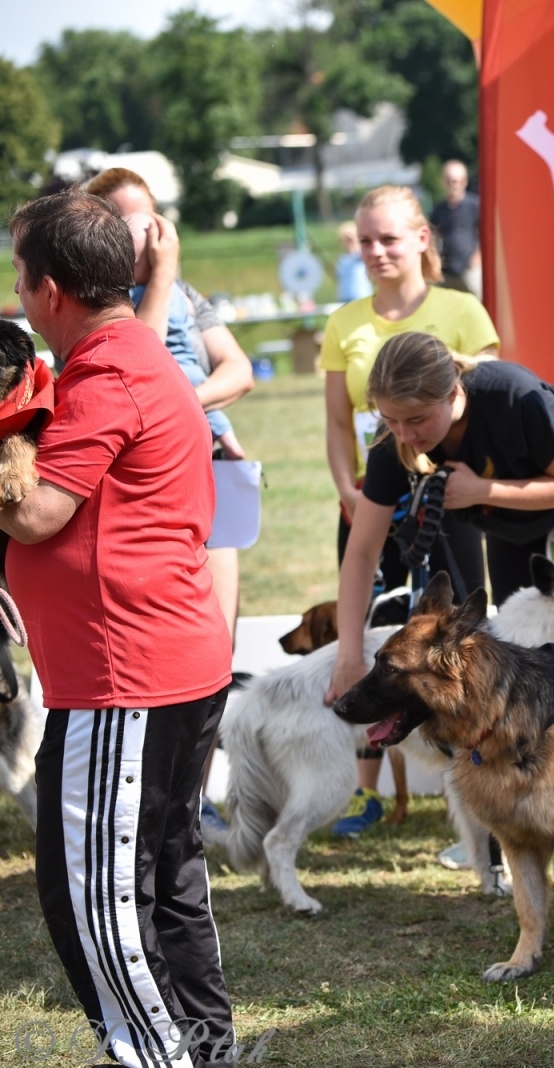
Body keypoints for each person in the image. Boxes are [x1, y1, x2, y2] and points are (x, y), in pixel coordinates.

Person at [5, 191, 235, 1067]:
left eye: (21, 283)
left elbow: (35, 517)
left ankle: (165, 1058)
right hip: (149, 664)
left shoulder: (108, 372)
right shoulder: (127, 350)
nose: (17, 302)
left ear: (52, 290)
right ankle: (203, 1052)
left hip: (126, 675)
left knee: (96, 897)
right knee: (166, 879)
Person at [321, 184, 498, 835]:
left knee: (450, 642)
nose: (375, 250)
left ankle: (474, 792)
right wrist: (350, 491)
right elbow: (340, 427)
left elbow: (486, 413)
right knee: (374, 634)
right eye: (365, 239)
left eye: (388, 237)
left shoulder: (463, 309)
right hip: (377, 496)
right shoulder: (345, 322)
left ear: (422, 238)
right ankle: (366, 790)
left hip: (451, 499)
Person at [326, 332, 554, 703]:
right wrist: (349, 657)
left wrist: (482, 491)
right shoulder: (397, 436)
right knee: (519, 642)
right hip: (509, 509)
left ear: (452, 393)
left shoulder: (510, 396)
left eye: (417, 420)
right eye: (391, 420)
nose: (404, 434)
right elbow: (362, 552)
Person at [81, 167, 255, 643]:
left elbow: (239, 371)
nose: (145, 233)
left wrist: (189, 408)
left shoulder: (184, 294)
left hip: (206, 458)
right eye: (126, 222)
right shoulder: (89, 304)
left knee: (222, 634)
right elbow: (143, 363)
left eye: (149, 217)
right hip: (147, 483)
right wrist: (161, 277)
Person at [125, 211, 245, 458]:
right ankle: (230, 442)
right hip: (194, 372)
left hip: (175, 376)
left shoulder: (134, 296)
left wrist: (182, 403)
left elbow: (144, 349)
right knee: (211, 414)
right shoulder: (179, 294)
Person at [430, 160, 481, 296]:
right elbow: (433, 237)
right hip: (447, 271)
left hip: (470, 269)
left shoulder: (475, 206)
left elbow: (485, 234)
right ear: (443, 182)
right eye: (449, 181)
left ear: (464, 181)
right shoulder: (438, 210)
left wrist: (477, 256)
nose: (453, 185)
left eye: (456, 181)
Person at [335, 220, 373, 303]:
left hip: (360, 296)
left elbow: (358, 253)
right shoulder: (342, 259)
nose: (347, 241)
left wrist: (355, 241)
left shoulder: (360, 254)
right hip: (344, 297)